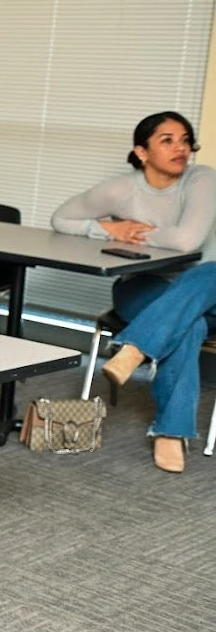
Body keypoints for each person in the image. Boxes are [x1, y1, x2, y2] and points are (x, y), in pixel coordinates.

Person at [52, 111, 216, 473]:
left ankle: (136, 347)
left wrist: (139, 233)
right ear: (142, 152)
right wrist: (108, 229)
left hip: (209, 290)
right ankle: (170, 433)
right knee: (190, 326)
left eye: (185, 140)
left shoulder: (202, 179)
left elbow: (188, 240)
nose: (181, 148)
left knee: (211, 272)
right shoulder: (121, 189)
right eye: (167, 140)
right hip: (146, 289)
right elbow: (61, 218)